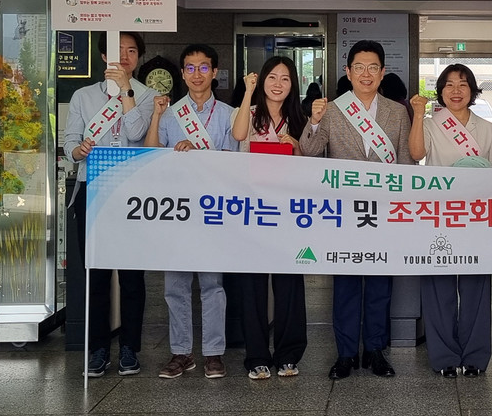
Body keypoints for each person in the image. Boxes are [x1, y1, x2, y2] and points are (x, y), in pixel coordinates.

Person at [300, 40, 414, 380]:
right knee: (346, 285)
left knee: (380, 284)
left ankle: (376, 350)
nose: (366, 74)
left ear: (382, 72)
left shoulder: (397, 112)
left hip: (383, 211)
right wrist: (314, 122)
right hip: (345, 213)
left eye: (373, 67)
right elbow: (309, 152)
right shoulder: (332, 110)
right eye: (359, 67)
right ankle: (346, 353)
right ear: (348, 72)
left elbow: (405, 164)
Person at [63, 31, 158, 377]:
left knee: (132, 276)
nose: (125, 57)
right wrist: (77, 151)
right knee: (97, 274)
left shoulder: (147, 95)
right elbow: (69, 143)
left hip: (132, 193)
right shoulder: (83, 96)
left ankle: (130, 347)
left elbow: (135, 133)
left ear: (139, 57)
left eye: (132, 51)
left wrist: (127, 91)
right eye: (118, 51)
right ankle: (98, 348)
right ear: (104, 57)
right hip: (94, 189)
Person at [145, 43, 238, 380]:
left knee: (213, 285)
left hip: (213, 209)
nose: (197, 74)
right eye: (190, 68)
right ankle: (181, 352)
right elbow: (152, 155)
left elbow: (234, 161)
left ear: (215, 72)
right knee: (175, 286)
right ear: (182, 74)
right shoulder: (170, 114)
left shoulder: (229, 114)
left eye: (203, 67)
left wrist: (198, 152)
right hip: (178, 209)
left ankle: (213, 353)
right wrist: (156, 116)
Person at [408, 64, 492, 378]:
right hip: (439, 213)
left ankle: (475, 355)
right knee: (439, 286)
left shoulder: (485, 128)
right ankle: (444, 356)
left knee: (476, 286)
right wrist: (418, 115)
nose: (456, 91)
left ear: (472, 90)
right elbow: (416, 153)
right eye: (448, 85)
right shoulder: (431, 124)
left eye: (463, 84)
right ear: (440, 92)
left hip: (475, 215)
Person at [231, 57, 308, 379]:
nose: (278, 84)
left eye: (285, 79)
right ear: (261, 80)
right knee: (253, 285)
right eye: (272, 77)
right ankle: (257, 356)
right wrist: (247, 93)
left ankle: (289, 354)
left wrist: (297, 146)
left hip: (288, 212)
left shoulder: (299, 119)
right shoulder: (248, 113)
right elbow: (238, 135)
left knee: (290, 283)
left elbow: (309, 166)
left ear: (293, 85)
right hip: (253, 210)